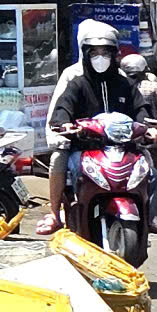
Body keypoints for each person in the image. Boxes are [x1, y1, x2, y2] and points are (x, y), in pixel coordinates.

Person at [47, 19, 139, 230]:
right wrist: (64, 126)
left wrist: (148, 127)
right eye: (95, 53)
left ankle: (148, 215)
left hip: (121, 145)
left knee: (150, 167)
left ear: (114, 54)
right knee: (58, 160)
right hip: (83, 144)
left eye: (105, 53)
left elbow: (140, 108)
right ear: (86, 53)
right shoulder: (75, 78)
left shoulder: (123, 80)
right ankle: (54, 214)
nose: (100, 58)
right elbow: (61, 107)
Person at [120, 50, 157, 225]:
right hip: (153, 138)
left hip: (125, 137)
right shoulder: (153, 87)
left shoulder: (119, 85)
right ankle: (154, 213)